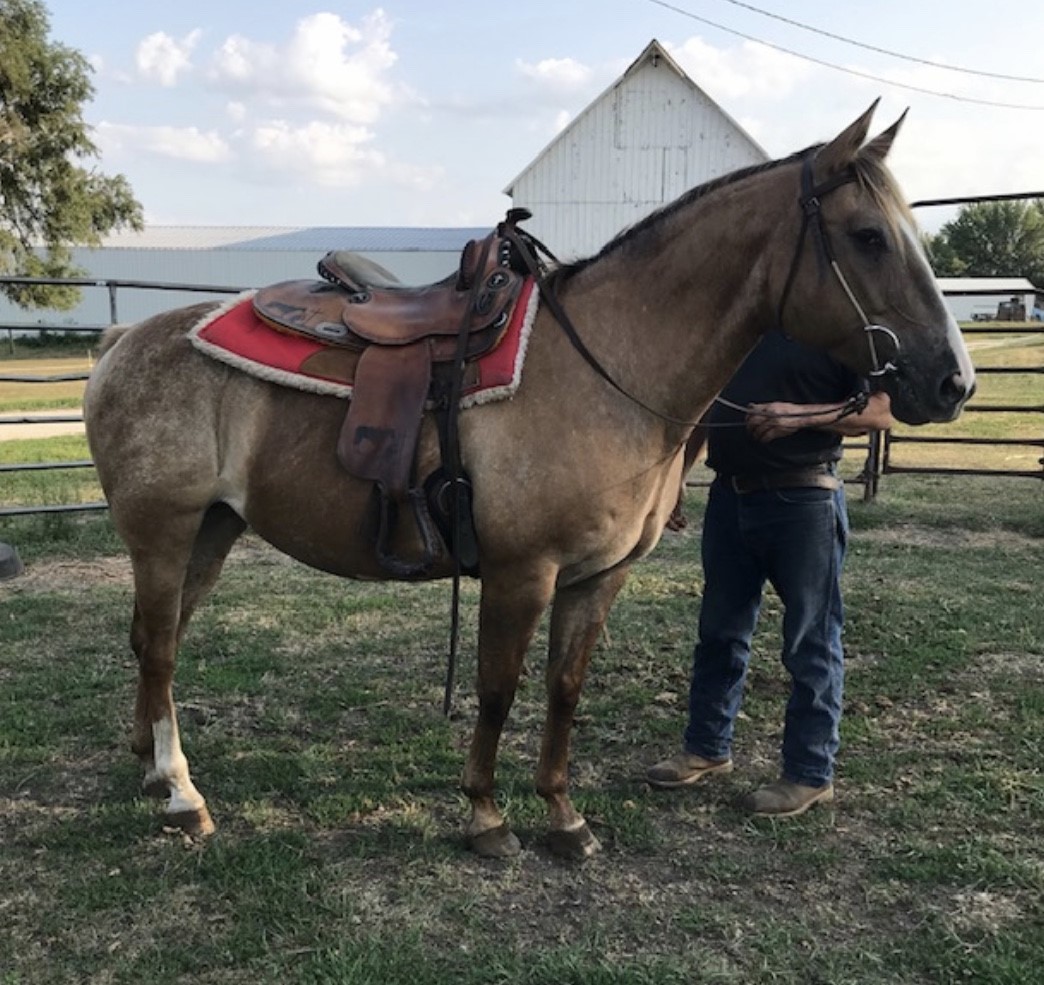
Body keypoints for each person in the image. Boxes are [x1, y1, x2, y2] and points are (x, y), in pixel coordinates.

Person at [647, 328, 894, 817]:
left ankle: (809, 773)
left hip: (804, 498)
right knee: (719, 632)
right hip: (729, 497)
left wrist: (800, 417)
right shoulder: (740, 328)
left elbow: (881, 410)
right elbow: (707, 408)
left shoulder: (834, 331)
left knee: (810, 642)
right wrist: (678, 478)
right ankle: (707, 747)